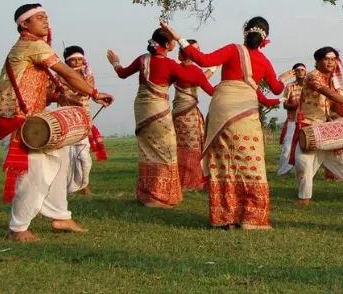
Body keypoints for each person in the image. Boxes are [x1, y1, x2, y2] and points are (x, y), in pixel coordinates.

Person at [0, 4, 113, 242]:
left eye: (46, 17)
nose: (46, 21)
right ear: (24, 24)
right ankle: (18, 228)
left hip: (32, 119)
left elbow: (31, 88)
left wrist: (58, 97)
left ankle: (60, 216)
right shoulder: (32, 45)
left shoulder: (33, 47)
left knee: (60, 164)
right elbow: (68, 73)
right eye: (39, 17)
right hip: (16, 120)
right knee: (33, 173)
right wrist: (94, 93)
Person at [162, 18, 283, 229]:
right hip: (245, 111)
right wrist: (283, 80)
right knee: (250, 161)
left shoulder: (232, 50)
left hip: (222, 109)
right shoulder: (263, 61)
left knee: (222, 160)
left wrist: (178, 37)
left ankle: (223, 217)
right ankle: (251, 219)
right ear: (265, 38)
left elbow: (202, 59)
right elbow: (277, 89)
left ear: (245, 32)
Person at [107, 28, 211, 208]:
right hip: (158, 110)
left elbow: (122, 73)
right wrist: (204, 67)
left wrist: (115, 62)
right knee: (166, 151)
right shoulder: (170, 64)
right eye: (174, 41)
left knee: (147, 150)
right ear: (168, 45)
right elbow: (193, 79)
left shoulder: (143, 59)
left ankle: (147, 195)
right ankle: (160, 197)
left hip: (141, 109)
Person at [292, 47, 343, 207]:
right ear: (317, 62)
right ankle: (304, 198)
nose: (330, 62)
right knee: (303, 164)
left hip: (325, 128)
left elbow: (333, 103)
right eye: (326, 59)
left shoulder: (330, 80)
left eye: (333, 59)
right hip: (308, 126)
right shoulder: (313, 76)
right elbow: (330, 95)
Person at [57, 46, 109, 195]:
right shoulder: (58, 76)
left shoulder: (87, 75)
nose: (77, 62)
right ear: (67, 62)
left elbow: (88, 92)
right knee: (68, 157)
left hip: (83, 119)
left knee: (83, 157)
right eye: (73, 60)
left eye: (80, 59)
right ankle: (73, 189)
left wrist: (99, 98)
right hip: (66, 119)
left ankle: (83, 185)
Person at [172, 40, 215, 190]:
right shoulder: (195, 71)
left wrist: (212, 69)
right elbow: (209, 89)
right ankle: (193, 181)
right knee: (193, 148)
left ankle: (179, 180)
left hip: (176, 114)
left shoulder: (175, 68)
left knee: (179, 147)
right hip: (189, 115)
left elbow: (197, 79)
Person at [277, 63, 306, 176]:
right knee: (287, 148)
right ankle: (283, 172)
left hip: (308, 120)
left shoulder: (310, 86)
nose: (300, 72)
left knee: (307, 147)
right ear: (294, 73)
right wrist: (296, 106)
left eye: (302, 70)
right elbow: (285, 105)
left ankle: (305, 172)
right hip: (293, 120)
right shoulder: (289, 87)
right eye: (297, 70)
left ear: (306, 72)